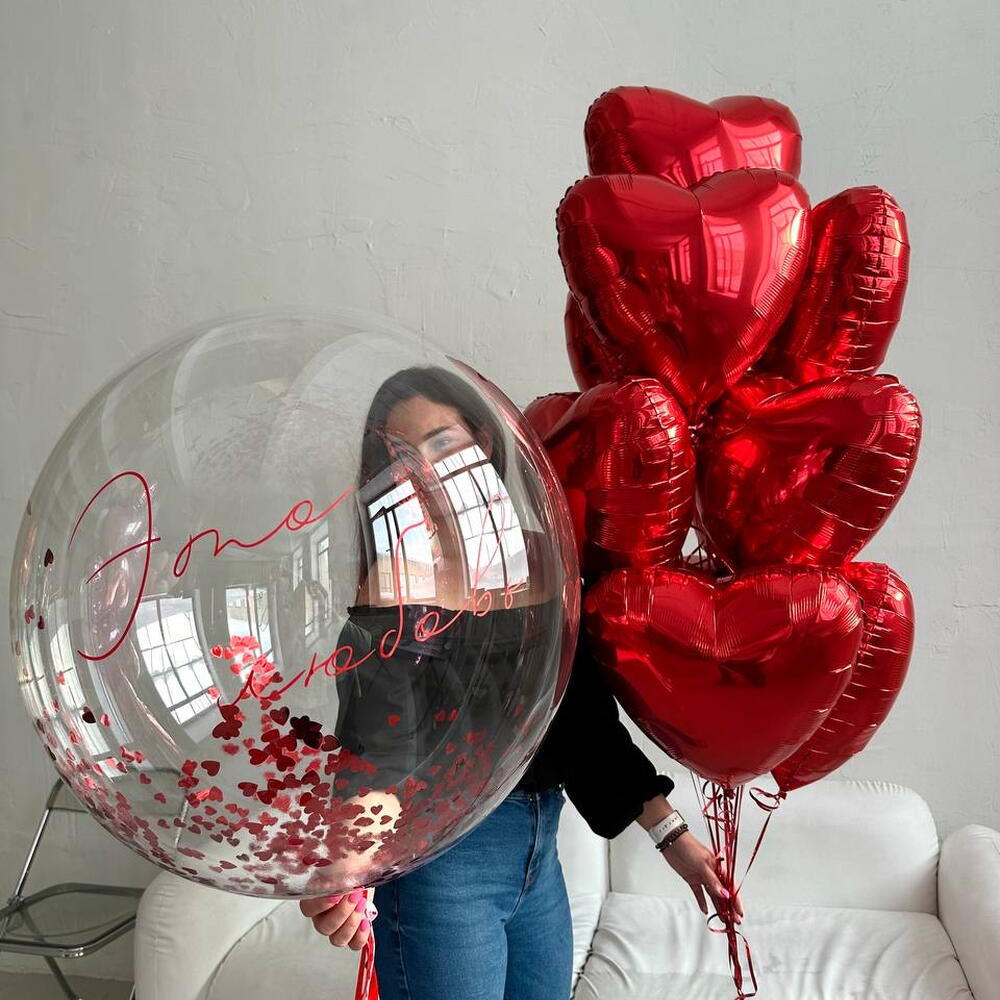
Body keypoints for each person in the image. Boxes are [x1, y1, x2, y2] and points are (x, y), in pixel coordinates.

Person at [298, 365, 743, 1000]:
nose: (428, 471)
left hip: (540, 855)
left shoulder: (546, 559)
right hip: (442, 864)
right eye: (403, 456)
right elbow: (379, 742)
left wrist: (673, 837)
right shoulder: (396, 581)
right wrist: (346, 865)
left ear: (483, 444)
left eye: (443, 443)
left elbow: (583, 718)